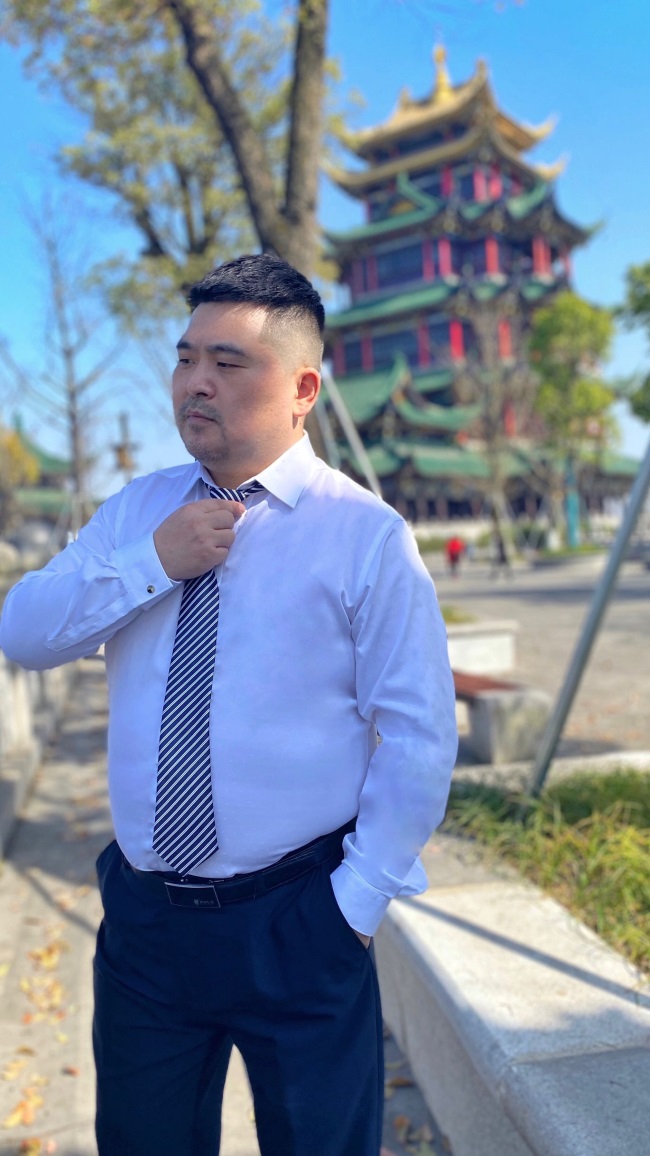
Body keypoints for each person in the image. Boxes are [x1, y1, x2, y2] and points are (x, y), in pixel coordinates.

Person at [0, 253, 458, 1156]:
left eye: (227, 362)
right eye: (185, 358)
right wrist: (151, 564)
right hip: (146, 926)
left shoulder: (364, 535)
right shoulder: (136, 513)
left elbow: (417, 737)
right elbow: (24, 632)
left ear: (302, 389)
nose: (194, 383)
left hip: (299, 917)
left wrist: (354, 904)